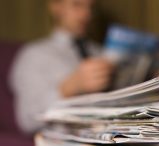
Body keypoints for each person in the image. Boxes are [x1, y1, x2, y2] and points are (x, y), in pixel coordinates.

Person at [10, 0, 115, 134]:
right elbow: (26, 120)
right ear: (56, 7)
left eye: (90, 7)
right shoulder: (34, 54)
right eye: (77, 5)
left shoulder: (102, 52)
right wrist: (68, 88)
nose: (86, 14)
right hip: (66, 142)